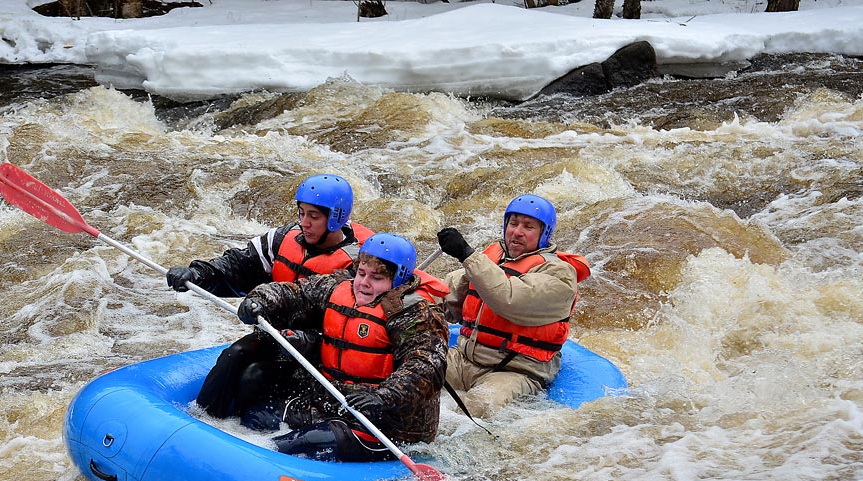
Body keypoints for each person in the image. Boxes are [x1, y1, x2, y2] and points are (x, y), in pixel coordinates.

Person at [166, 174, 372, 418]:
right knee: (234, 356)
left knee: (255, 377)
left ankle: (244, 430)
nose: (304, 222)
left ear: (335, 219)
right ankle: (201, 420)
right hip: (277, 336)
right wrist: (198, 274)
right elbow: (239, 264)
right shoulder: (283, 238)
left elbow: (355, 325)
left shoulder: (357, 267)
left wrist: (306, 339)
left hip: (321, 351)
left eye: (313, 216)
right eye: (301, 212)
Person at [232, 233, 449, 462]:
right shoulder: (339, 287)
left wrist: (384, 397)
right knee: (254, 418)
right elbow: (294, 293)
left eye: (376, 278)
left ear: (397, 281)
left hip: (385, 423)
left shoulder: (417, 316)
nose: (364, 283)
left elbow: (426, 366)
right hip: (334, 401)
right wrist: (260, 301)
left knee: (290, 445)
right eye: (362, 273)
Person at [437, 194, 590, 418]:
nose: (517, 232)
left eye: (528, 226)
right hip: (464, 359)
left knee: (472, 409)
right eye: (513, 223)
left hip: (515, 371)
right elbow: (444, 295)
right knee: (409, 372)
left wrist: (466, 255)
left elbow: (508, 299)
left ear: (543, 234)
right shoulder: (492, 259)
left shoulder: (560, 275)